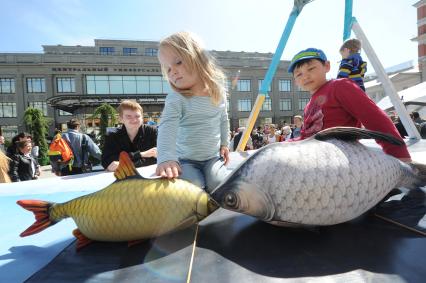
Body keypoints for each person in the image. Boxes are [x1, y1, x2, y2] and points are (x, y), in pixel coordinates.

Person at [287, 47, 411, 162]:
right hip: (315, 159)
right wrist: (281, 145)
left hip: (343, 159)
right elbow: (305, 137)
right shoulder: (309, 104)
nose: (305, 76)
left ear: (327, 66)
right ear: (295, 80)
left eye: (311, 68)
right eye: (299, 74)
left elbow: (375, 118)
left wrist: (400, 156)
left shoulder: (339, 86)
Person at [156, 31, 230, 191]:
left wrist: (225, 143)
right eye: (167, 69)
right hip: (186, 160)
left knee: (219, 184)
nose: (172, 71)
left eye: (178, 62)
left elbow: (223, 119)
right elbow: (167, 126)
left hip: (213, 158)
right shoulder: (176, 98)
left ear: (199, 59)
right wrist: (166, 157)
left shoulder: (218, 92)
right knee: (194, 187)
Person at [102, 100, 157, 172]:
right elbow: (108, 163)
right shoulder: (112, 136)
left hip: (149, 175)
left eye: (137, 116)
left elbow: (156, 158)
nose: (134, 120)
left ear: (142, 118)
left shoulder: (152, 131)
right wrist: (141, 154)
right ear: (121, 119)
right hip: (121, 179)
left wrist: (123, 164)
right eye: (129, 116)